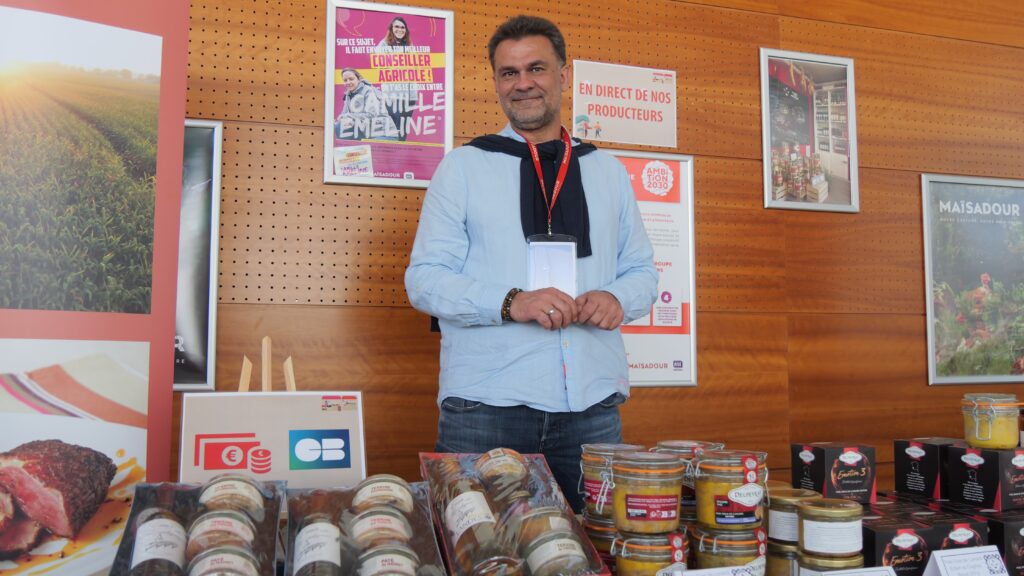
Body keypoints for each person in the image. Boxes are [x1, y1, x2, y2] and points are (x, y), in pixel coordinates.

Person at [404, 15, 658, 512]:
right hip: (486, 408)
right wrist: (511, 302)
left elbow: (643, 273)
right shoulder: (462, 168)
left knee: (594, 551)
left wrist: (617, 298)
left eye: (536, 68)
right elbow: (424, 280)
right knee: (484, 550)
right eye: (508, 73)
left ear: (564, 75)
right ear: (497, 82)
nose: (523, 83)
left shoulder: (607, 171)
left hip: (592, 408)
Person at [376, 16, 417, 141]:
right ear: (391, 29)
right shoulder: (383, 45)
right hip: (392, 95)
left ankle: (402, 156)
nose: (400, 29)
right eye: (397, 26)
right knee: (395, 131)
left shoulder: (410, 46)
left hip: (409, 96)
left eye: (403, 27)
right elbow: (381, 65)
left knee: (403, 132)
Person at [335, 67, 398, 141]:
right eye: (345, 80)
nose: (348, 82)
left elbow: (371, 115)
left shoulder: (369, 91)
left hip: (385, 134)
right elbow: (344, 115)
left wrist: (350, 117)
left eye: (351, 79)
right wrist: (341, 119)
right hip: (368, 134)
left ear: (359, 79)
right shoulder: (349, 95)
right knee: (337, 126)